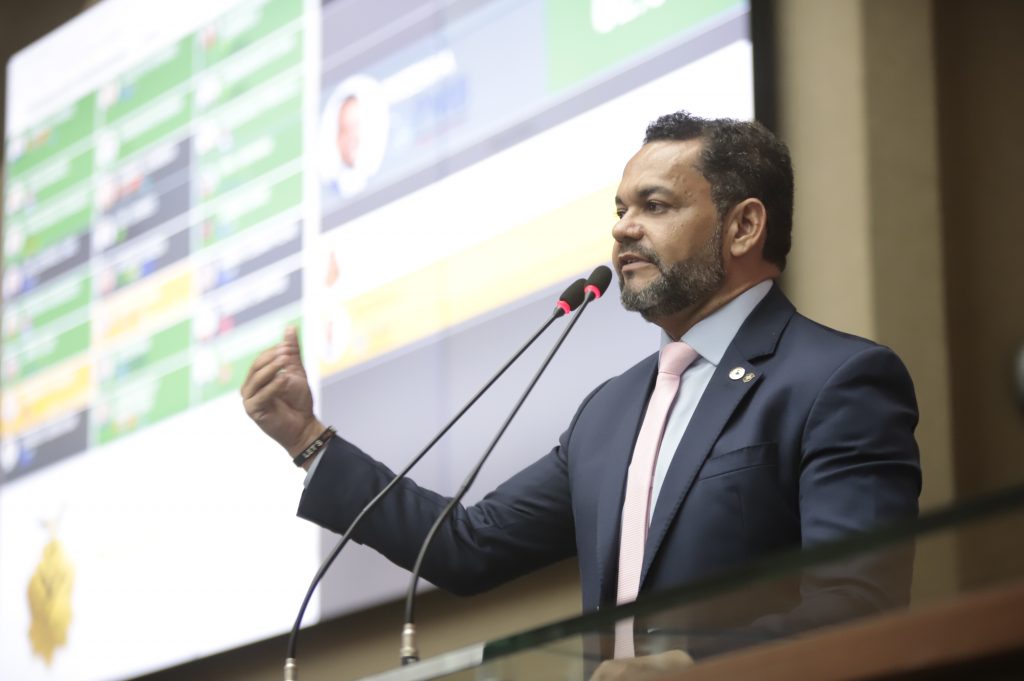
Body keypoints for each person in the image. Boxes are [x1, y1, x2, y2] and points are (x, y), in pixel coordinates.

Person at [242, 111, 921, 678]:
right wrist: (307, 440)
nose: (624, 227)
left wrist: (693, 664)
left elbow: (857, 600)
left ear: (744, 227)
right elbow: (464, 547)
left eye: (655, 205)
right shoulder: (610, 412)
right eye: (621, 209)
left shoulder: (835, 379)